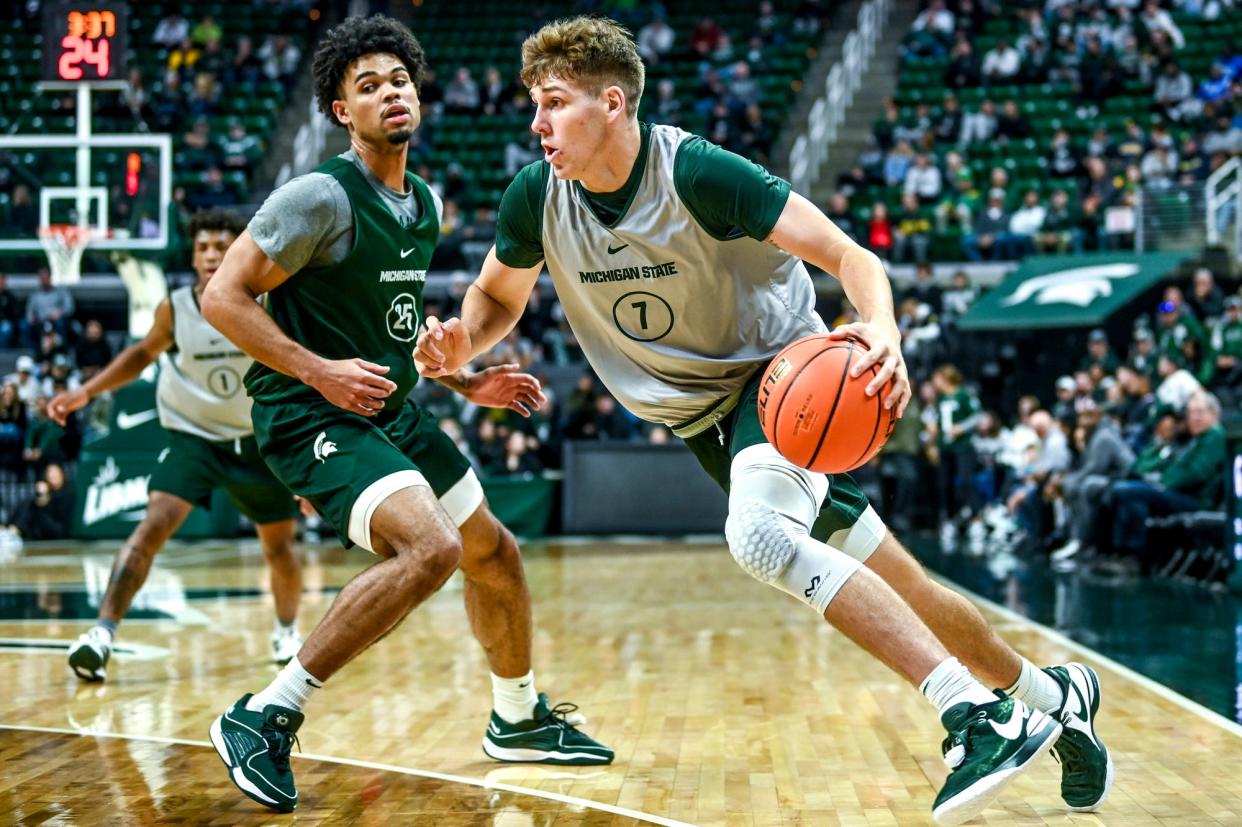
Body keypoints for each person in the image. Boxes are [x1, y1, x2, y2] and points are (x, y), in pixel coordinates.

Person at [415, 16, 1109, 824]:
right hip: (700, 418)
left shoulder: (701, 174)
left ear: (612, 103)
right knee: (905, 586)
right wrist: (460, 339)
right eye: (533, 103)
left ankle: (974, 713)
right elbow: (498, 296)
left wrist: (881, 328)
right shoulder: (536, 194)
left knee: (760, 538)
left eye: (554, 103)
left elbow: (855, 258)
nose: (535, 123)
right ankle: (1050, 695)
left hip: (781, 385)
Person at [199, 16, 613, 814]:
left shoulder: (420, 202)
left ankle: (518, 717)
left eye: (398, 80)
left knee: (495, 553)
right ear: (339, 112)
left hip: (388, 407)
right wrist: (316, 370)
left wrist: (462, 378)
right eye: (367, 86)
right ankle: (264, 714)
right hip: (304, 410)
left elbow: (392, 334)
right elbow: (222, 295)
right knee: (432, 547)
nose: (390, 93)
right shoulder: (318, 197)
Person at [50, 209, 306, 682]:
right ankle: (102, 635)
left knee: (279, 548)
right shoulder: (175, 308)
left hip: (258, 442)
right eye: (203, 247)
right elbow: (141, 354)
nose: (212, 254)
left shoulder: (268, 302)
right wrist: (87, 392)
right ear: (192, 256)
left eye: (221, 246)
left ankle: (286, 629)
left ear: (239, 250)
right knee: (152, 528)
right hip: (196, 437)